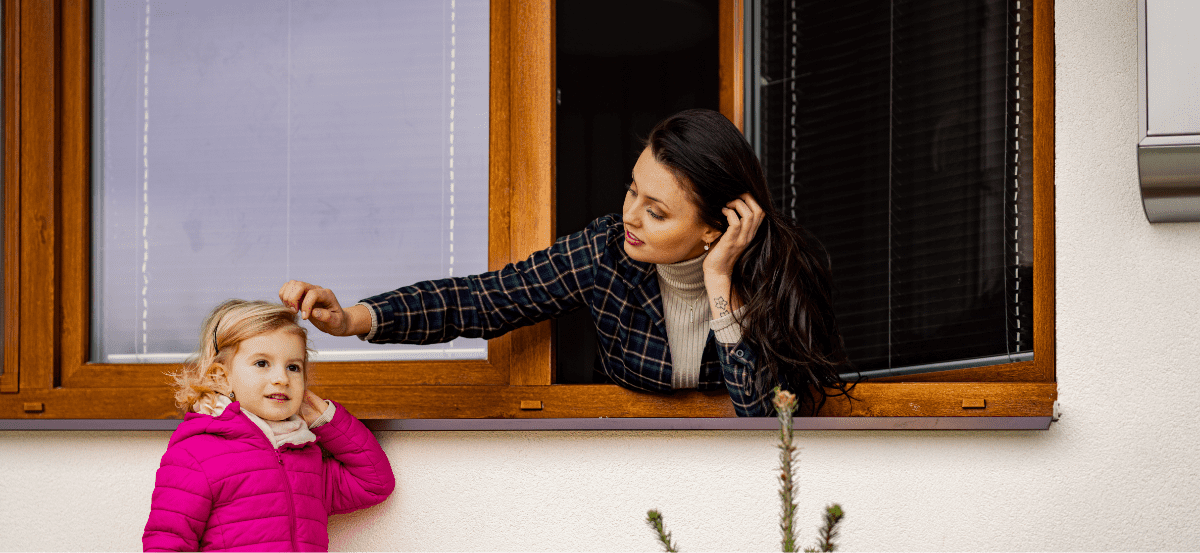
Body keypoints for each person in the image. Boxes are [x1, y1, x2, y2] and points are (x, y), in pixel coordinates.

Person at [280, 108, 851, 417]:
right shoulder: (607, 253)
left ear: (714, 227)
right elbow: (486, 298)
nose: (630, 215)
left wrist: (720, 283)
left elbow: (764, 419)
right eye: (632, 191)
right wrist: (353, 318)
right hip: (632, 462)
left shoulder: (780, 275)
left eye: (656, 211)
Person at [143, 300, 395, 553]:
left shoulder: (305, 455)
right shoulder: (197, 453)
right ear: (222, 377)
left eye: (293, 367)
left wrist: (327, 421)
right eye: (262, 363)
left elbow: (373, 483)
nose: (281, 379)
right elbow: (167, 542)